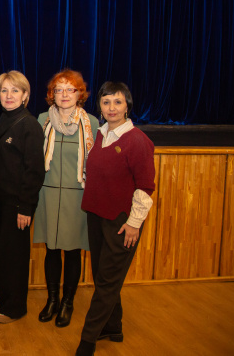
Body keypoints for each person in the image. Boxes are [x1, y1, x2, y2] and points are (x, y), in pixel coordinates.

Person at [75, 82, 155, 356]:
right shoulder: (101, 134)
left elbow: (145, 187)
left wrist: (134, 223)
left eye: (118, 102)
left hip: (122, 222)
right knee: (104, 277)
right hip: (97, 217)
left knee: (107, 282)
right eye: (106, 102)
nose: (111, 108)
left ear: (127, 106)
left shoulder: (138, 141)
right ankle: (113, 326)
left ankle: (87, 341)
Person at [35, 70, 98, 327]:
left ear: (79, 94)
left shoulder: (91, 123)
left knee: (72, 251)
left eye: (70, 89)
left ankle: (67, 303)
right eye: (58, 89)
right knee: (51, 249)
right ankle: (52, 300)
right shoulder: (43, 120)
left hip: (77, 195)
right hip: (47, 193)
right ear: (52, 94)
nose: (64, 94)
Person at [0, 71, 45, 324]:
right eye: (4, 90)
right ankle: (4, 298)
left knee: (15, 256)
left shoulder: (29, 125)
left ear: (25, 96)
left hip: (17, 203)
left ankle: (16, 306)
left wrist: (26, 207)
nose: (9, 95)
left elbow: (34, 170)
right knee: (1, 253)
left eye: (15, 90)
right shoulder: (4, 118)